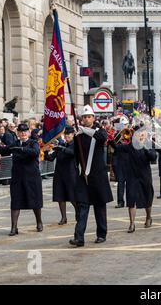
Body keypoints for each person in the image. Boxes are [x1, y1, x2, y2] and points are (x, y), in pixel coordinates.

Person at [70, 105, 114, 247]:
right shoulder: (79, 134)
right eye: (84, 117)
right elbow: (76, 154)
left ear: (93, 118)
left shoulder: (98, 131)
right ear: (81, 119)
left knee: (99, 207)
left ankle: (101, 234)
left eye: (89, 116)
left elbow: (102, 138)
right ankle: (79, 237)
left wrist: (85, 131)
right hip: (84, 176)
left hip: (98, 175)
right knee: (82, 206)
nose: (87, 119)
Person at [0, 123, 43, 236]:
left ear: (28, 132)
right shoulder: (15, 143)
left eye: (25, 131)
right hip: (18, 177)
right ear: (18, 133)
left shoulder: (33, 143)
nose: (23, 133)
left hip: (32, 177)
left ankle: (39, 222)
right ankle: (14, 228)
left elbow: (35, 153)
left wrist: (22, 149)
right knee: (15, 202)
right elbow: (4, 151)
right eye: (21, 131)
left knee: (34, 201)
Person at [111, 127, 156, 232]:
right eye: (137, 134)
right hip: (132, 176)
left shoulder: (148, 145)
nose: (140, 136)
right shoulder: (130, 146)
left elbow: (153, 157)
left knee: (147, 198)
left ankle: (148, 217)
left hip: (145, 176)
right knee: (131, 199)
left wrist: (144, 147)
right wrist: (115, 137)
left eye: (142, 135)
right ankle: (132, 224)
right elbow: (117, 148)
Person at [44, 126, 77, 225]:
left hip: (71, 174)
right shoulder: (61, 145)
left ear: (73, 135)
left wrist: (61, 148)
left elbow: (72, 153)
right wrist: (45, 150)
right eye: (65, 134)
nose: (67, 136)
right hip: (59, 173)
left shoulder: (74, 144)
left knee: (72, 196)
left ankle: (78, 213)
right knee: (60, 196)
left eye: (69, 134)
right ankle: (63, 217)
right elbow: (50, 158)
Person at [113, 115, 130, 208]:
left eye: (125, 125)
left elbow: (130, 147)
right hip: (119, 161)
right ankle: (120, 201)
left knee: (130, 183)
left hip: (129, 161)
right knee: (120, 182)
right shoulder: (117, 134)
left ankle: (130, 200)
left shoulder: (131, 134)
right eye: (122, 125)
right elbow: (114, 147)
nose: (124, 126)